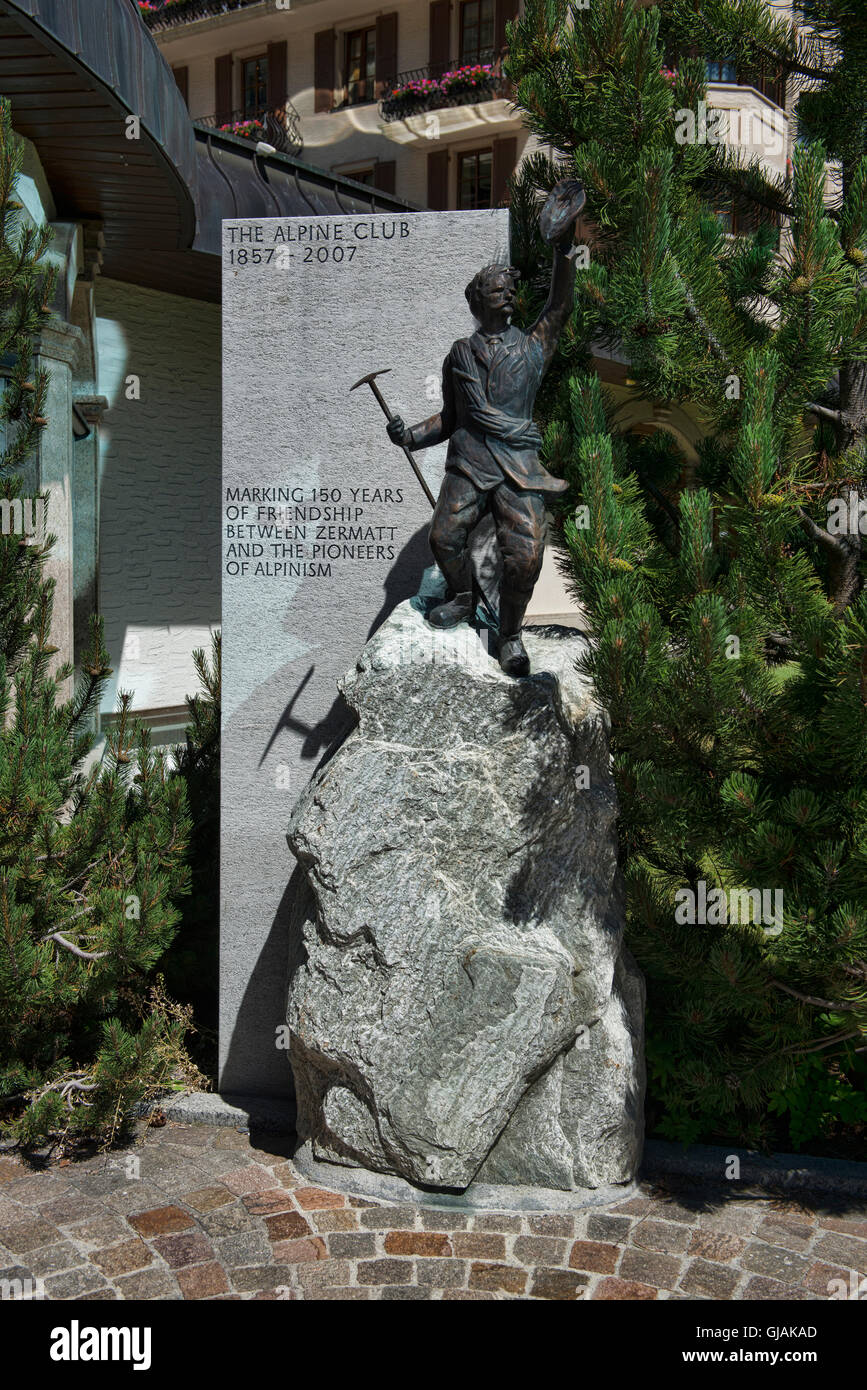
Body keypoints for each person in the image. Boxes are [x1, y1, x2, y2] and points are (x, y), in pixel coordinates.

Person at [386, 208, 580, 676]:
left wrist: (563, 246)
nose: (508, 294)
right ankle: (463, 597)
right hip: (470, 463)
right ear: (478, 299)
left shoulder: (532, 348)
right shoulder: (459, 354)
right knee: (443, 538)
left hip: (518, 468)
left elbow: (559, 306)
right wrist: (410, 436)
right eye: (498, 288)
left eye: (511, 289)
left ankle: (510, 635)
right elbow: (451, 418)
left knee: (526, 558)